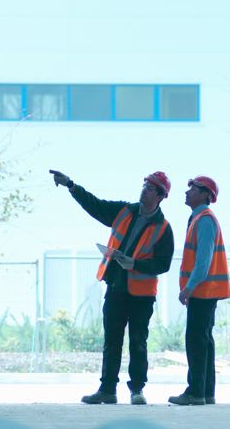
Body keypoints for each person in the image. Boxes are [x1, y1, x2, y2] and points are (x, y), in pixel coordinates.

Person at [50, 169, 175, 405]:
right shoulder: (124, 211)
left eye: (149, 188)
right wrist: (71, 186)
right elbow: (95, 205)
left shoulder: (163, 228)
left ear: (160, 195)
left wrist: (135, 264)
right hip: (117, 288)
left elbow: (163, 263)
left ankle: (137, 390)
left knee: (138, 342)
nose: (144, 191)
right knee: (112, 341)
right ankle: (107, 389)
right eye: (144, 186)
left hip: (142, 296)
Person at [168, 176, 230, 406]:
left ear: (205, 195)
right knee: (204, 341)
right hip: (206, 292)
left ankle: (195, 393)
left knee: (196, 341)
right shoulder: (199, 219)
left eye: (192, 189)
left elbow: (203, 262)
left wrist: (188, 288)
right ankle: (205, 392)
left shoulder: (204, 220)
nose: (187, 192)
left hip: (203, 292)